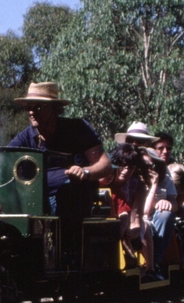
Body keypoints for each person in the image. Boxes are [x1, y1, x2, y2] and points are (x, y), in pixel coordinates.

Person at [8, 82, 112, 215]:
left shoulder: (79, 129)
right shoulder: (24, 138)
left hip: (74, 204)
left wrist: (84, 172)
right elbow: (4, 161)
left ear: (54, 108)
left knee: (69, 193)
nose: (31, 112)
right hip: (35, 203)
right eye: (28, 107)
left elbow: (105, 165)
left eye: (38, 107)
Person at [100, 143, 155, 280]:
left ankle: (150, 268)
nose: (126, 170)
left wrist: (128, 232)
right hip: (105, 222)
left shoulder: (137, 186)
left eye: (130, 167)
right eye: (122, 165)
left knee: (141, 227)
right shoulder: (105, 179)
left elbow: (135, 216)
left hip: (128, 224)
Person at [155, 132, 184, 271]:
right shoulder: (148, 165)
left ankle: (182, 259)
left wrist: (181, 207)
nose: (165, 151)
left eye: (168, 148)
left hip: (173, 208)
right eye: (160, 148)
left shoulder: (177, 170)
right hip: (153, 209)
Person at [139, 147, 176, 279]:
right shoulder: (135, 180)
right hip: (137, 220)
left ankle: (156, 263)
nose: (148, 168)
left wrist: (154, 186)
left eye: (152, 165)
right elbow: (144, 211)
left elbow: (147, 211)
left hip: (149, 220)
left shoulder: (162, 178)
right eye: (144, 165)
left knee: (165, 214)